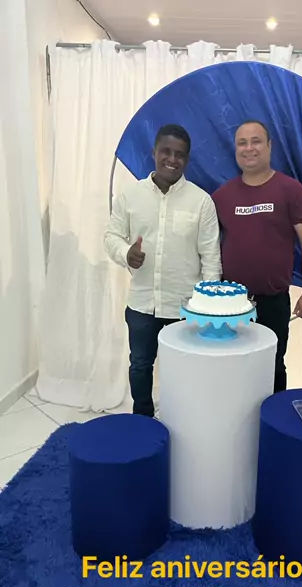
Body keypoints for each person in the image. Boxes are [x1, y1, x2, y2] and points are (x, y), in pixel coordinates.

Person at [104, 124, 222, 417]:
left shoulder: (201, 201)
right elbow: (111, 236)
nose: (172, 159)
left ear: (187, 159)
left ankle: (182, 422)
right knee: (140, 366)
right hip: (142, 304)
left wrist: (209, 309)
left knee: (185, 370)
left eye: (179, 154)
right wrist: (126, 253)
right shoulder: (130, 196)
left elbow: (211, 257)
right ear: (154, 152)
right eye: (166, 151)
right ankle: (142, 422)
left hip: (185, 307)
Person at [212, 120, 302, 393]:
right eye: (242, 143)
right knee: (231, 365)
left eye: (256, 141)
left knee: (272, 366)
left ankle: (271, 418)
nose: (249, 148)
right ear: (235, 149)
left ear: (270, 146)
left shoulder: (292, 191)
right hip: (231, 303)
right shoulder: (221, 197)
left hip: (273, 302)